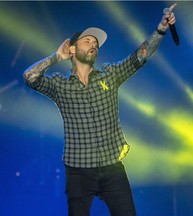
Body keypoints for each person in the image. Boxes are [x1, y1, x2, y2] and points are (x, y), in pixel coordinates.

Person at [23, 3, 177, 216]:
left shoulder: (109, 74)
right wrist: (56, 57)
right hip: (78, 170)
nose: (93, 44)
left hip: (112, 168)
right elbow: (29, 78)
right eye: (87, 41)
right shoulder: (60, 85)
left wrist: (161, 29)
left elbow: (140, 55)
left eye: (95, 43)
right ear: (73, 49)